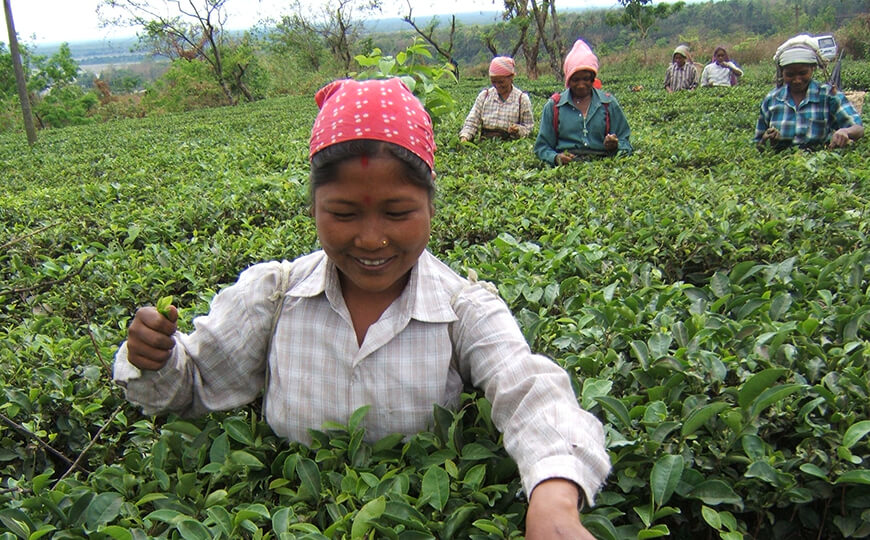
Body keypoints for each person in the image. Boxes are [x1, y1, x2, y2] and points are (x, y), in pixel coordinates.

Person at [113, 77, 611, 539]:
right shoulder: (275, 295)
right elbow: (192, 385)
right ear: (314, 207)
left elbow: (531, 391)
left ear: (431, 208)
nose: (371, 239)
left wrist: (553, 497)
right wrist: (155, 357)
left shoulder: (462, 308)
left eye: (398, 213)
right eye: (344, 213)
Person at [755, 35, 864, 150]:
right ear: (782, 73)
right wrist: (765, 139)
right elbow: (758, 142)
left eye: (803, 73)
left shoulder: (828, 95)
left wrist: (845, 131)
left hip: (819, 163)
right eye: (790, 74)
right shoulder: (772, 99)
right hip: (780, 164)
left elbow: (858, 129)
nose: (797, 80)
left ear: (813, 68)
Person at [534, 39, 632, 166]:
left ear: (593, 79)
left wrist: (616, 145)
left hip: (605, 169)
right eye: (575, 80)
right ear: (568, 80)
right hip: (566, 171)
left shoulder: (609, 104)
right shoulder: (554, 106)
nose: (581, 85)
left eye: (586, 79)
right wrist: (556, 157)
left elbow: (626, 143)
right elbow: (541, 147)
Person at [459, 56, 534, 142]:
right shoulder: (485, 96)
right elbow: (472, 122)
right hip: (485, 147)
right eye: (493, 81)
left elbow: (529, 128)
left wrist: (518, 130)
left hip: (509, 147)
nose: (497, 85)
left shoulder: (522, 99)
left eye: (501, 82)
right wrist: (465, 137)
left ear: (511, 77)